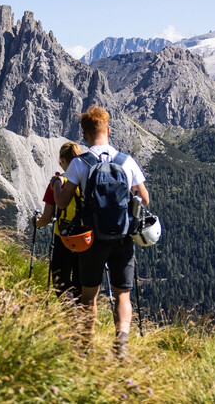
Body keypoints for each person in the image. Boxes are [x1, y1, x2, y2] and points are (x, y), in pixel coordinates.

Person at [51, 106, 149, 359]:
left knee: (89, 295)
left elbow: (62, 203)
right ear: (108, 130)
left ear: (84, 135)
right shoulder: (126, 161)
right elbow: (144, 199)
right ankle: (122, 345)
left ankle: (86, 347)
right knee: (122, 294)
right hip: (122, 238)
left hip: (90, 239)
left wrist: (56, 186)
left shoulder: (80, 163)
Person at [35, 141, 85, 300]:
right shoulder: (87, 181)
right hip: (85, 236)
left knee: (60, 280)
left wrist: (35, 222)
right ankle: (82, 317)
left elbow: (46, 218)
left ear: (62, 160)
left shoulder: (57, 182)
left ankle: (70, 316)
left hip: (64, 237)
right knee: (81, 282)